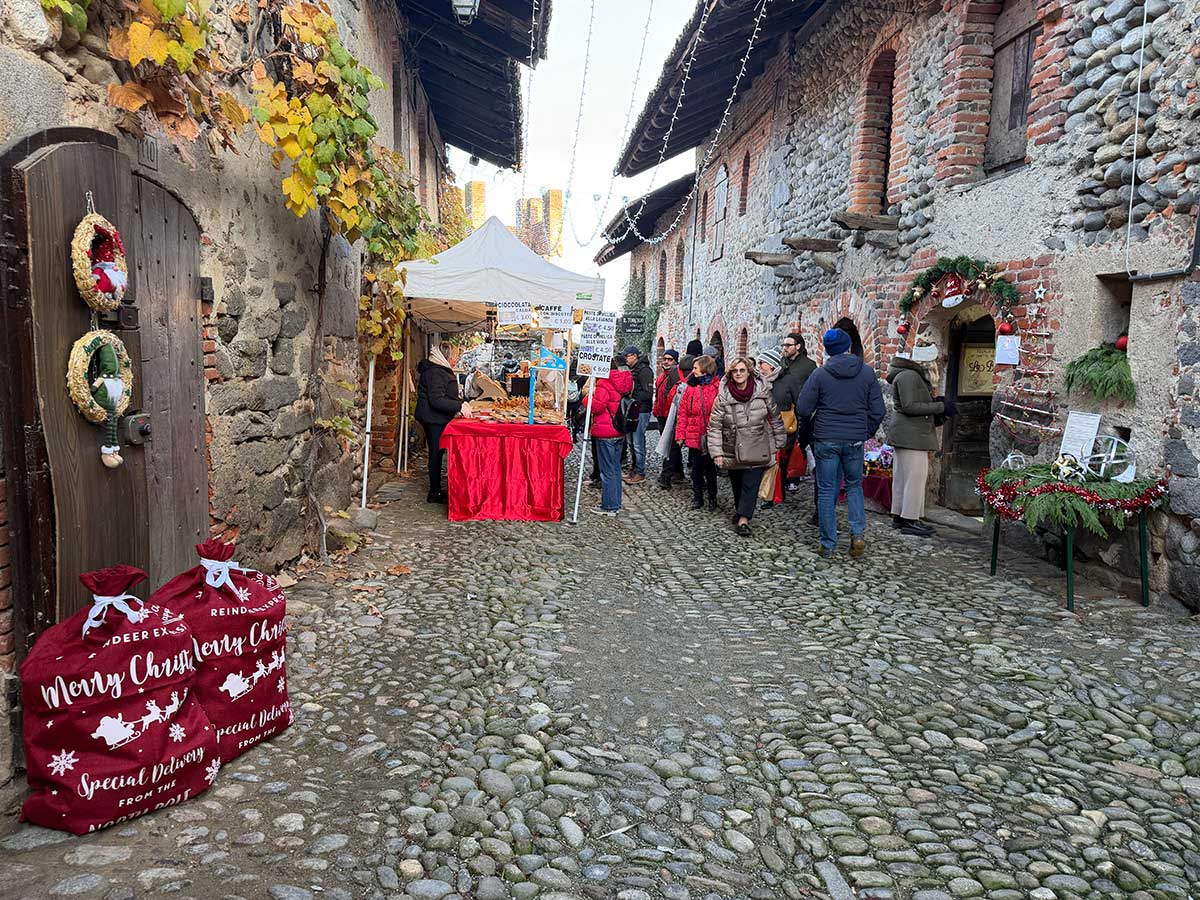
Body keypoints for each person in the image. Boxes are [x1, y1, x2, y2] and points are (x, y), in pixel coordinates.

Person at [796, 328, 885, 558]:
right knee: (855, 485)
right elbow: (878, 410)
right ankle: (857, 534)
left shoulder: (820, 374)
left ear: (827, 350)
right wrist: (865, 431)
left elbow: (803, 408)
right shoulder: (866, 373)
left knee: (827, 490)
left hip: (826, 437)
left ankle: (828, 544)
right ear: (848, 347)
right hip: (854, 438)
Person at [708, 356, 787, 536]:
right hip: (733, 447)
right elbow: (714, 426)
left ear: (749, 372)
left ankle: (744, 519)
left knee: (751, 484)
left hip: (758, 446)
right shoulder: (723, 397)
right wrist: (717, 453)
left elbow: (775, 417)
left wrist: (778, 442)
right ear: (730, 374)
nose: (739, 374)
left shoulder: (762, 392)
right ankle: (740, 511)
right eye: (735, 371)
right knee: (737, 483)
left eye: (742, 370)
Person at [886, 353, 956, 536]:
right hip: (911, 436)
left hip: (910, 434)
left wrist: (935, 404)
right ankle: (910, 519)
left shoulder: (908, 374)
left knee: (904, 477)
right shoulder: (909, 375)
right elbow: (909, 406)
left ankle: (900, 516)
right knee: (914, 478)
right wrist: (940, 407)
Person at [415, 345, 472, 503]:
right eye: (454, 357)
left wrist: (459, 404)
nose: (456, 360)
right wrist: (458, 406)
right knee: (436, 453)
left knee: (437, 452)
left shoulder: (438, 369)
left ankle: (436, 489)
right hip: (433, 419)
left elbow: (445, 395)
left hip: (435, 417)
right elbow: (437, 400)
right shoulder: (436, 372)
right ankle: (434, 492)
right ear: (446, 357)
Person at [585, 365, 635, 515]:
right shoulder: (624, 381)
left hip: (606, 430)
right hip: (618, 429)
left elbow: (597, 407)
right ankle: (615, 502)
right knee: (615, 468)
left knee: (607, 470)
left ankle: (609, 506)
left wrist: (587, 397)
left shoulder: (604, 383)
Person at [675, 355, 721, 511]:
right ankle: (698, 496)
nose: (693, 371)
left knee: (710, 468)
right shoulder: (690, 388)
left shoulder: (716, 387)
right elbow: (683, 413)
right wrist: (680, 435)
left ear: (705, 368)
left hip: (711, 434)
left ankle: (712, 497)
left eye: (695, 368)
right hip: (694, 434)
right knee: (696, 468)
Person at [621, 346, 654, 484]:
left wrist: (631, 394)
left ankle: (640, 472)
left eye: (627, 356)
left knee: (638, 442)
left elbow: (648, 393)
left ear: (634, 356)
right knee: (631, 442)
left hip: (641, 410)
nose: (625, 359)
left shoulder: (644, 370)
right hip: (634, 410)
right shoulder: (634, 369)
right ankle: (634, 470)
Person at [653, 350, 685, 488]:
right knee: (671, 446)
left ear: (675, 361)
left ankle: (667, 475)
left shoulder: (676, 376)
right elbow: (659, 396)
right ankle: (678, 472)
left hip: (670, 415)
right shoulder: (661, 376)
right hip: (661, 414)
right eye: (665, 358)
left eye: (670, 359)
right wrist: (656, 409)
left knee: (670, 446)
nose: (666, 361)